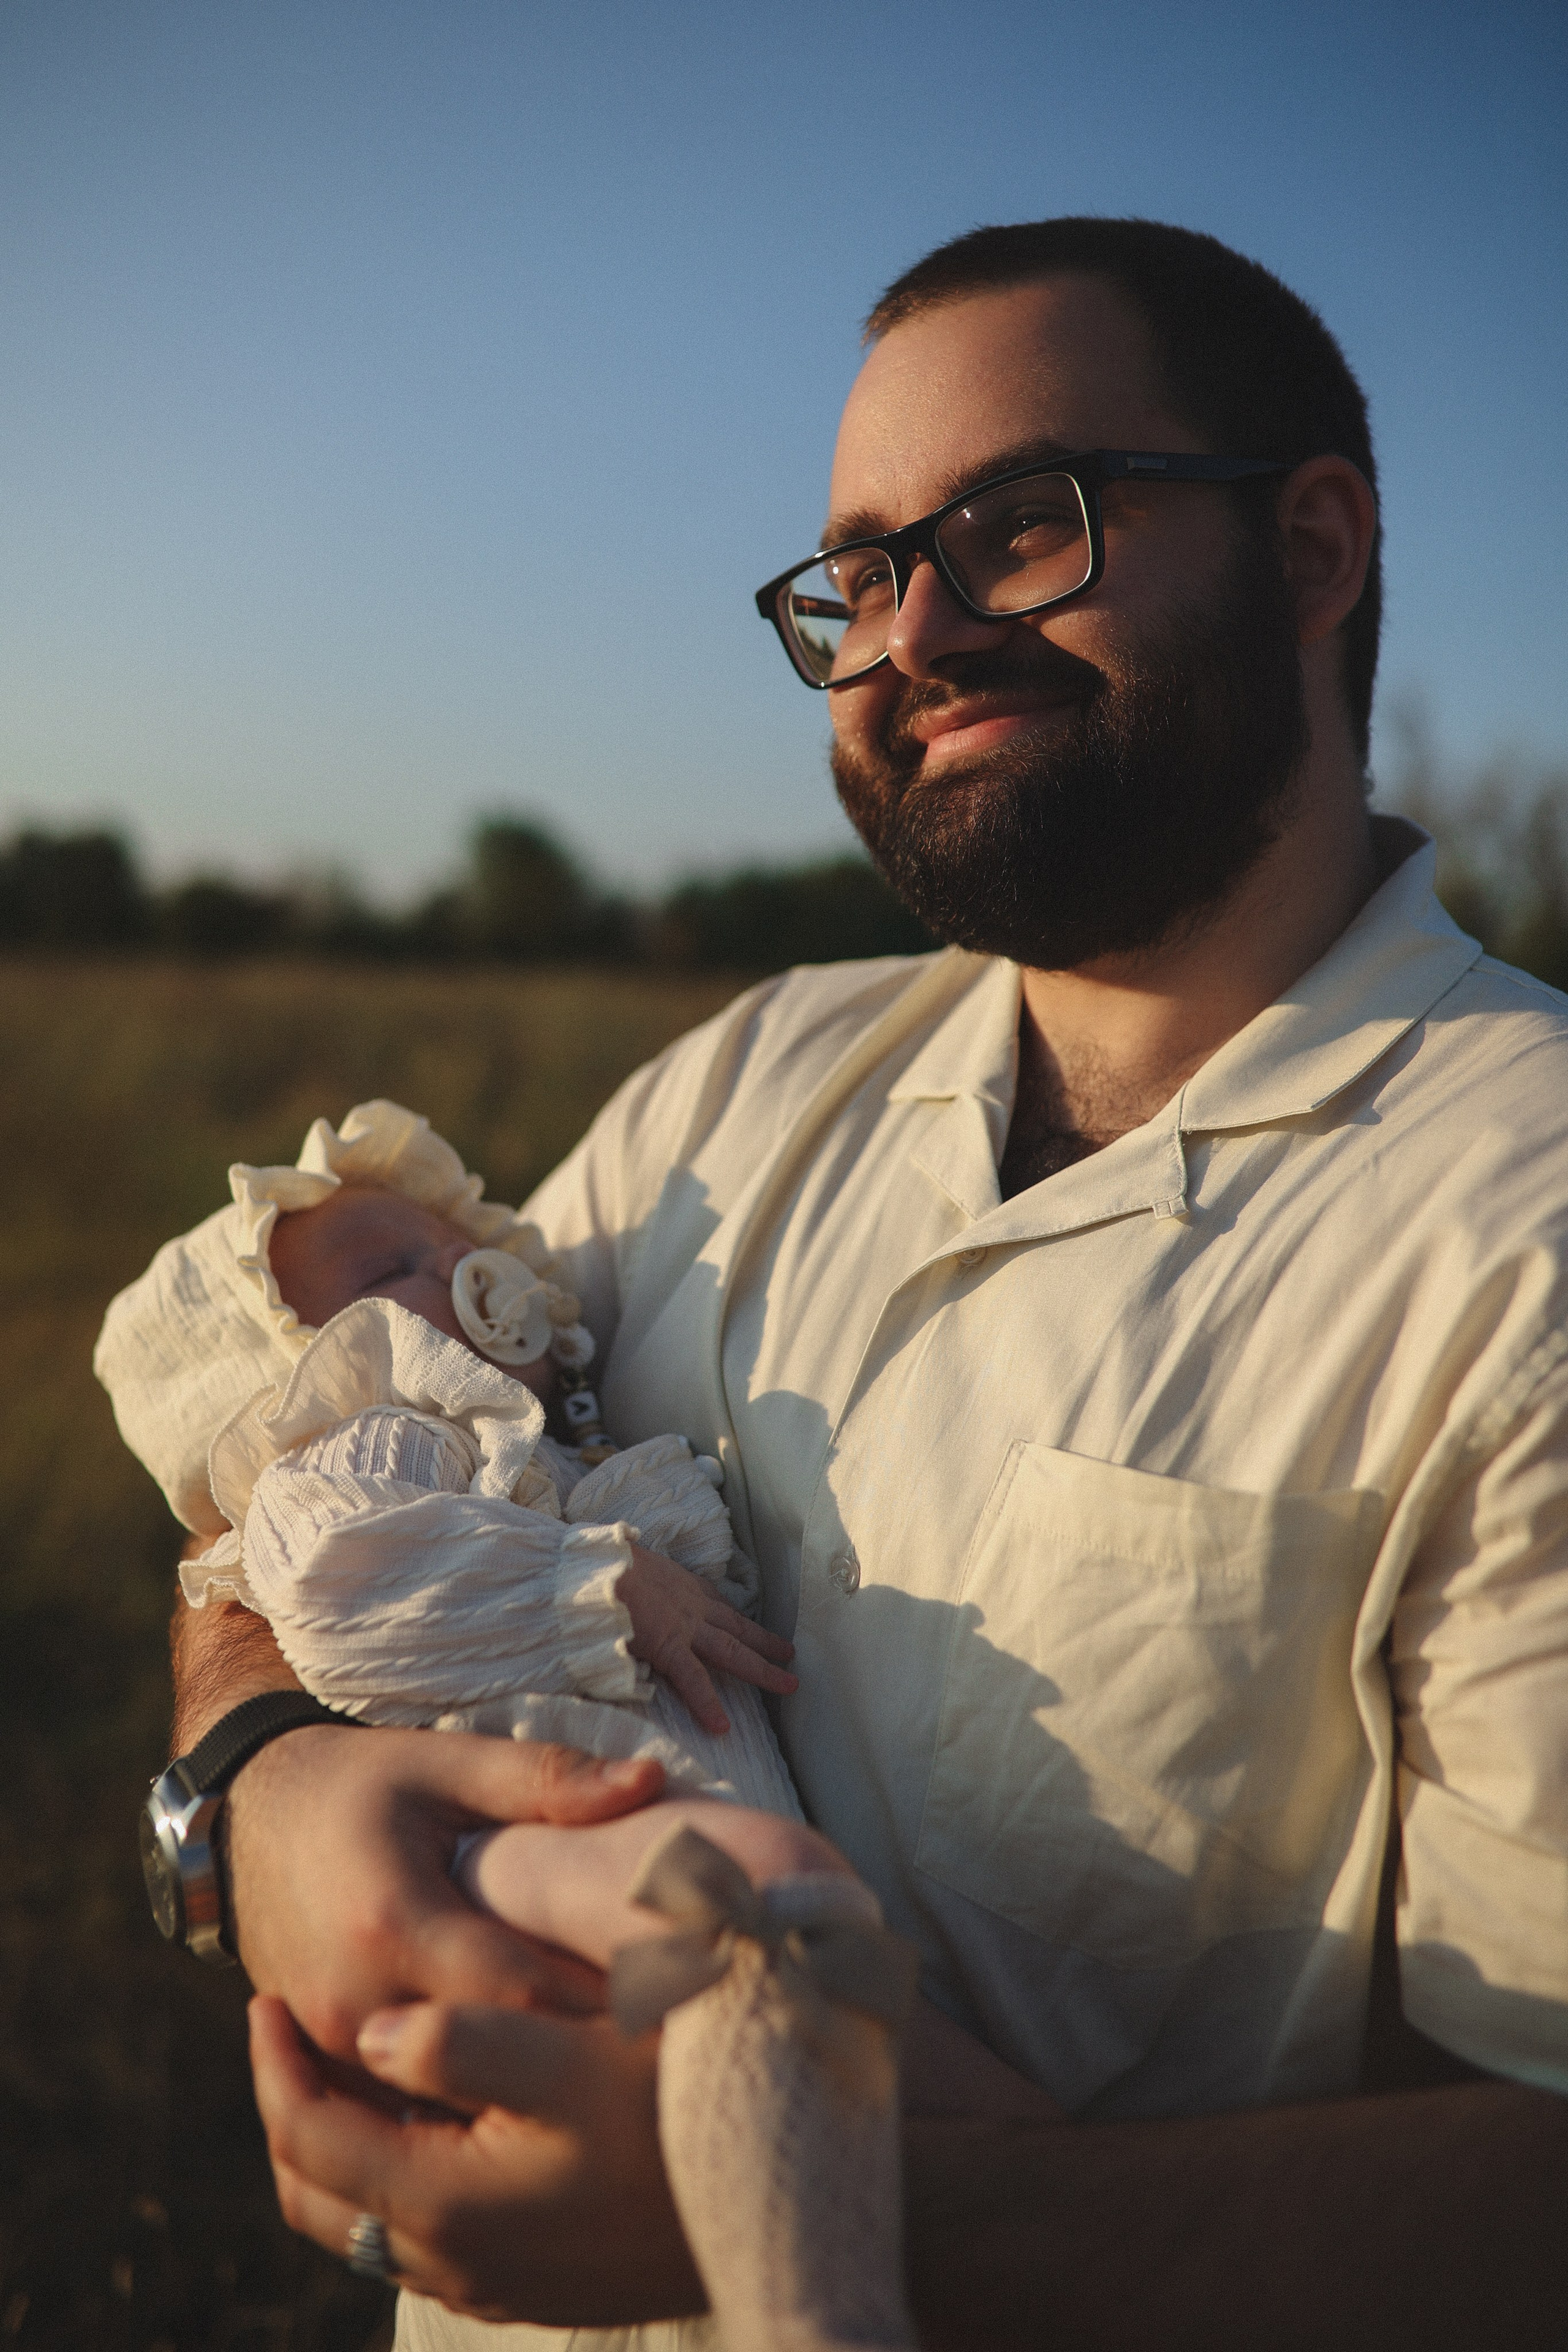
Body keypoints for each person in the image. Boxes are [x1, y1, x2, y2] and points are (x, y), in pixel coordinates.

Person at [178, 218, 1568, 2348]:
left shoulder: (1523, 1221)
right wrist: (256, 1779)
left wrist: (809, 2222)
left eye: (1024, 525)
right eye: (856, 573)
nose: (910, 632)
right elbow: (298, 1445)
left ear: (1312, 547)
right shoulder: (742, 1079)